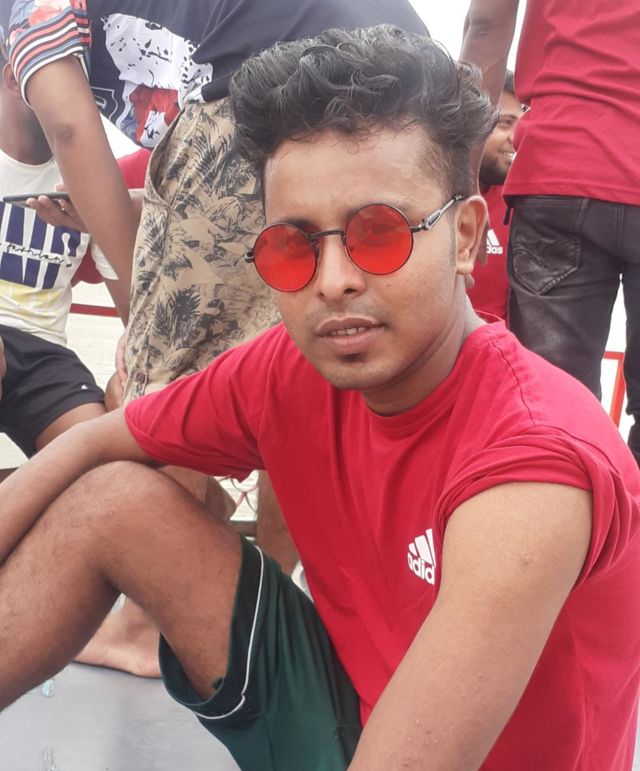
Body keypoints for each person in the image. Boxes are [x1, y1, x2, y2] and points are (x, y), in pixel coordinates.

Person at [0, 25, 639, 771]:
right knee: (112, 499)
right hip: (353, 703)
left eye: (380, 234)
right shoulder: (289, 367)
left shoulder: (530, 468)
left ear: (466, 238)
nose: (332, 280)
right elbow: (92, 442)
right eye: (293, 245)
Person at [0, 0, 428, 677]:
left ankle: (147, 624)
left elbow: (70, 125)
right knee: (314, 370)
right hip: (405, 91)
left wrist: (148, 302)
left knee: (166, 383)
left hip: (262, 87)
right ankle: (270, 602)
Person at [461, 0, 640, 465]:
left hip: (561, 167)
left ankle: (563, 508)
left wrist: (463, 181)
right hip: (564, 171)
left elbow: (487, 24)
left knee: (552, 406)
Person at [0, 50, 120, 464]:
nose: (80, 97)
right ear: (15, 78)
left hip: (44, 353)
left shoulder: (94, 179)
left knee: (103, 464)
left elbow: (134, 311)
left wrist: (135, 368)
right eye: (65, 78)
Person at [467, 71, 523, 321]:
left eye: (521, 124)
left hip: (499, 343)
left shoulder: (521, 203)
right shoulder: (428, 200)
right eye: (504, 123)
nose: (517, 138)